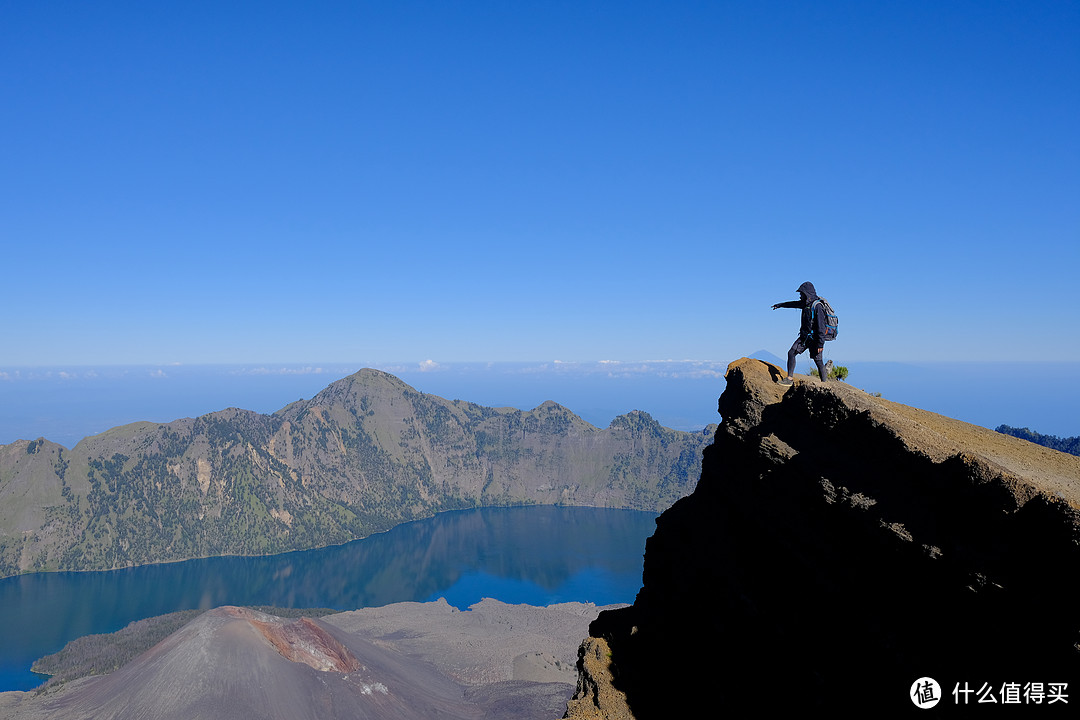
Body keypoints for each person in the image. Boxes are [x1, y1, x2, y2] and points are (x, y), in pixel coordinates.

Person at [772, 281, 830, 386]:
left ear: (807, 293)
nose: (800, 295)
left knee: (818, 361)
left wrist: (821, 344)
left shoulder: (818, 306)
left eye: (801, 293)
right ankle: (789, 379)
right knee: (791, 353)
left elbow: (821, 327)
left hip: (815, 340)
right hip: (804, 338)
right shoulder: (805, 304)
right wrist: (780, 305)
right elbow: (793, 304)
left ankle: (825, 384)